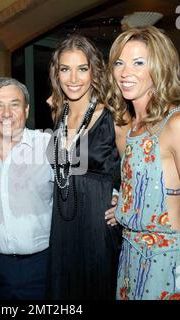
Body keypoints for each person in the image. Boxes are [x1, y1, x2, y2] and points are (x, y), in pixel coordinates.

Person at [107, 26, 180, 300]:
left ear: (160, 68)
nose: (125, 72)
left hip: (167, 260)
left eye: (138, 63)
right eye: (119, 63)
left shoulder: (178, 124)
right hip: (129, 254)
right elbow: (145, 182)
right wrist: (122, 202)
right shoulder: (127, 126)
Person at [47, 34, 125, 300]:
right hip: (62, 218)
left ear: (94, 71)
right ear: (56, 74)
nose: (73, 79)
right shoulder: (59, 112)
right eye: (65, 69)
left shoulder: (115, 114)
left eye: (82, 69)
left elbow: (138, 164)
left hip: (98, 221)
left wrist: (126, 202)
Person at [0, 77, 53, 299]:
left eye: (15, 104)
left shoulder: (49, 144)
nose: (6, 113)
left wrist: (112, 197)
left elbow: (88, 180)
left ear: (26, 110)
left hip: (41, 265)